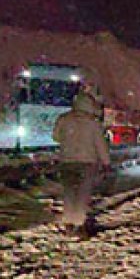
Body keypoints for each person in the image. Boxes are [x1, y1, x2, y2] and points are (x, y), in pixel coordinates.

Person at [51, 91, 110, 237]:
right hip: (87, 162)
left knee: (69, 192)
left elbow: (55, 137)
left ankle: (68, 222)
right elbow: (100, 145)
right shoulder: (93, 123)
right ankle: (78, 224)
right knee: (83, 194)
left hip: (67, 161)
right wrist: (106, 162)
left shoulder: (64, 119)